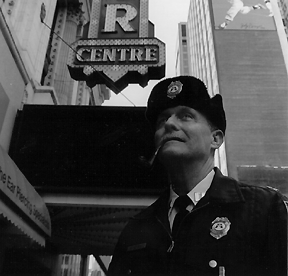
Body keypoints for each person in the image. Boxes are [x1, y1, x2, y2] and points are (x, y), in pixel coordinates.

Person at [108, 76, 287, 276]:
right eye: (162, 119)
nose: (169, 124)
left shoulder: (264, 208)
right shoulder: (136, 228)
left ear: (215, 138)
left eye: (185, 116)